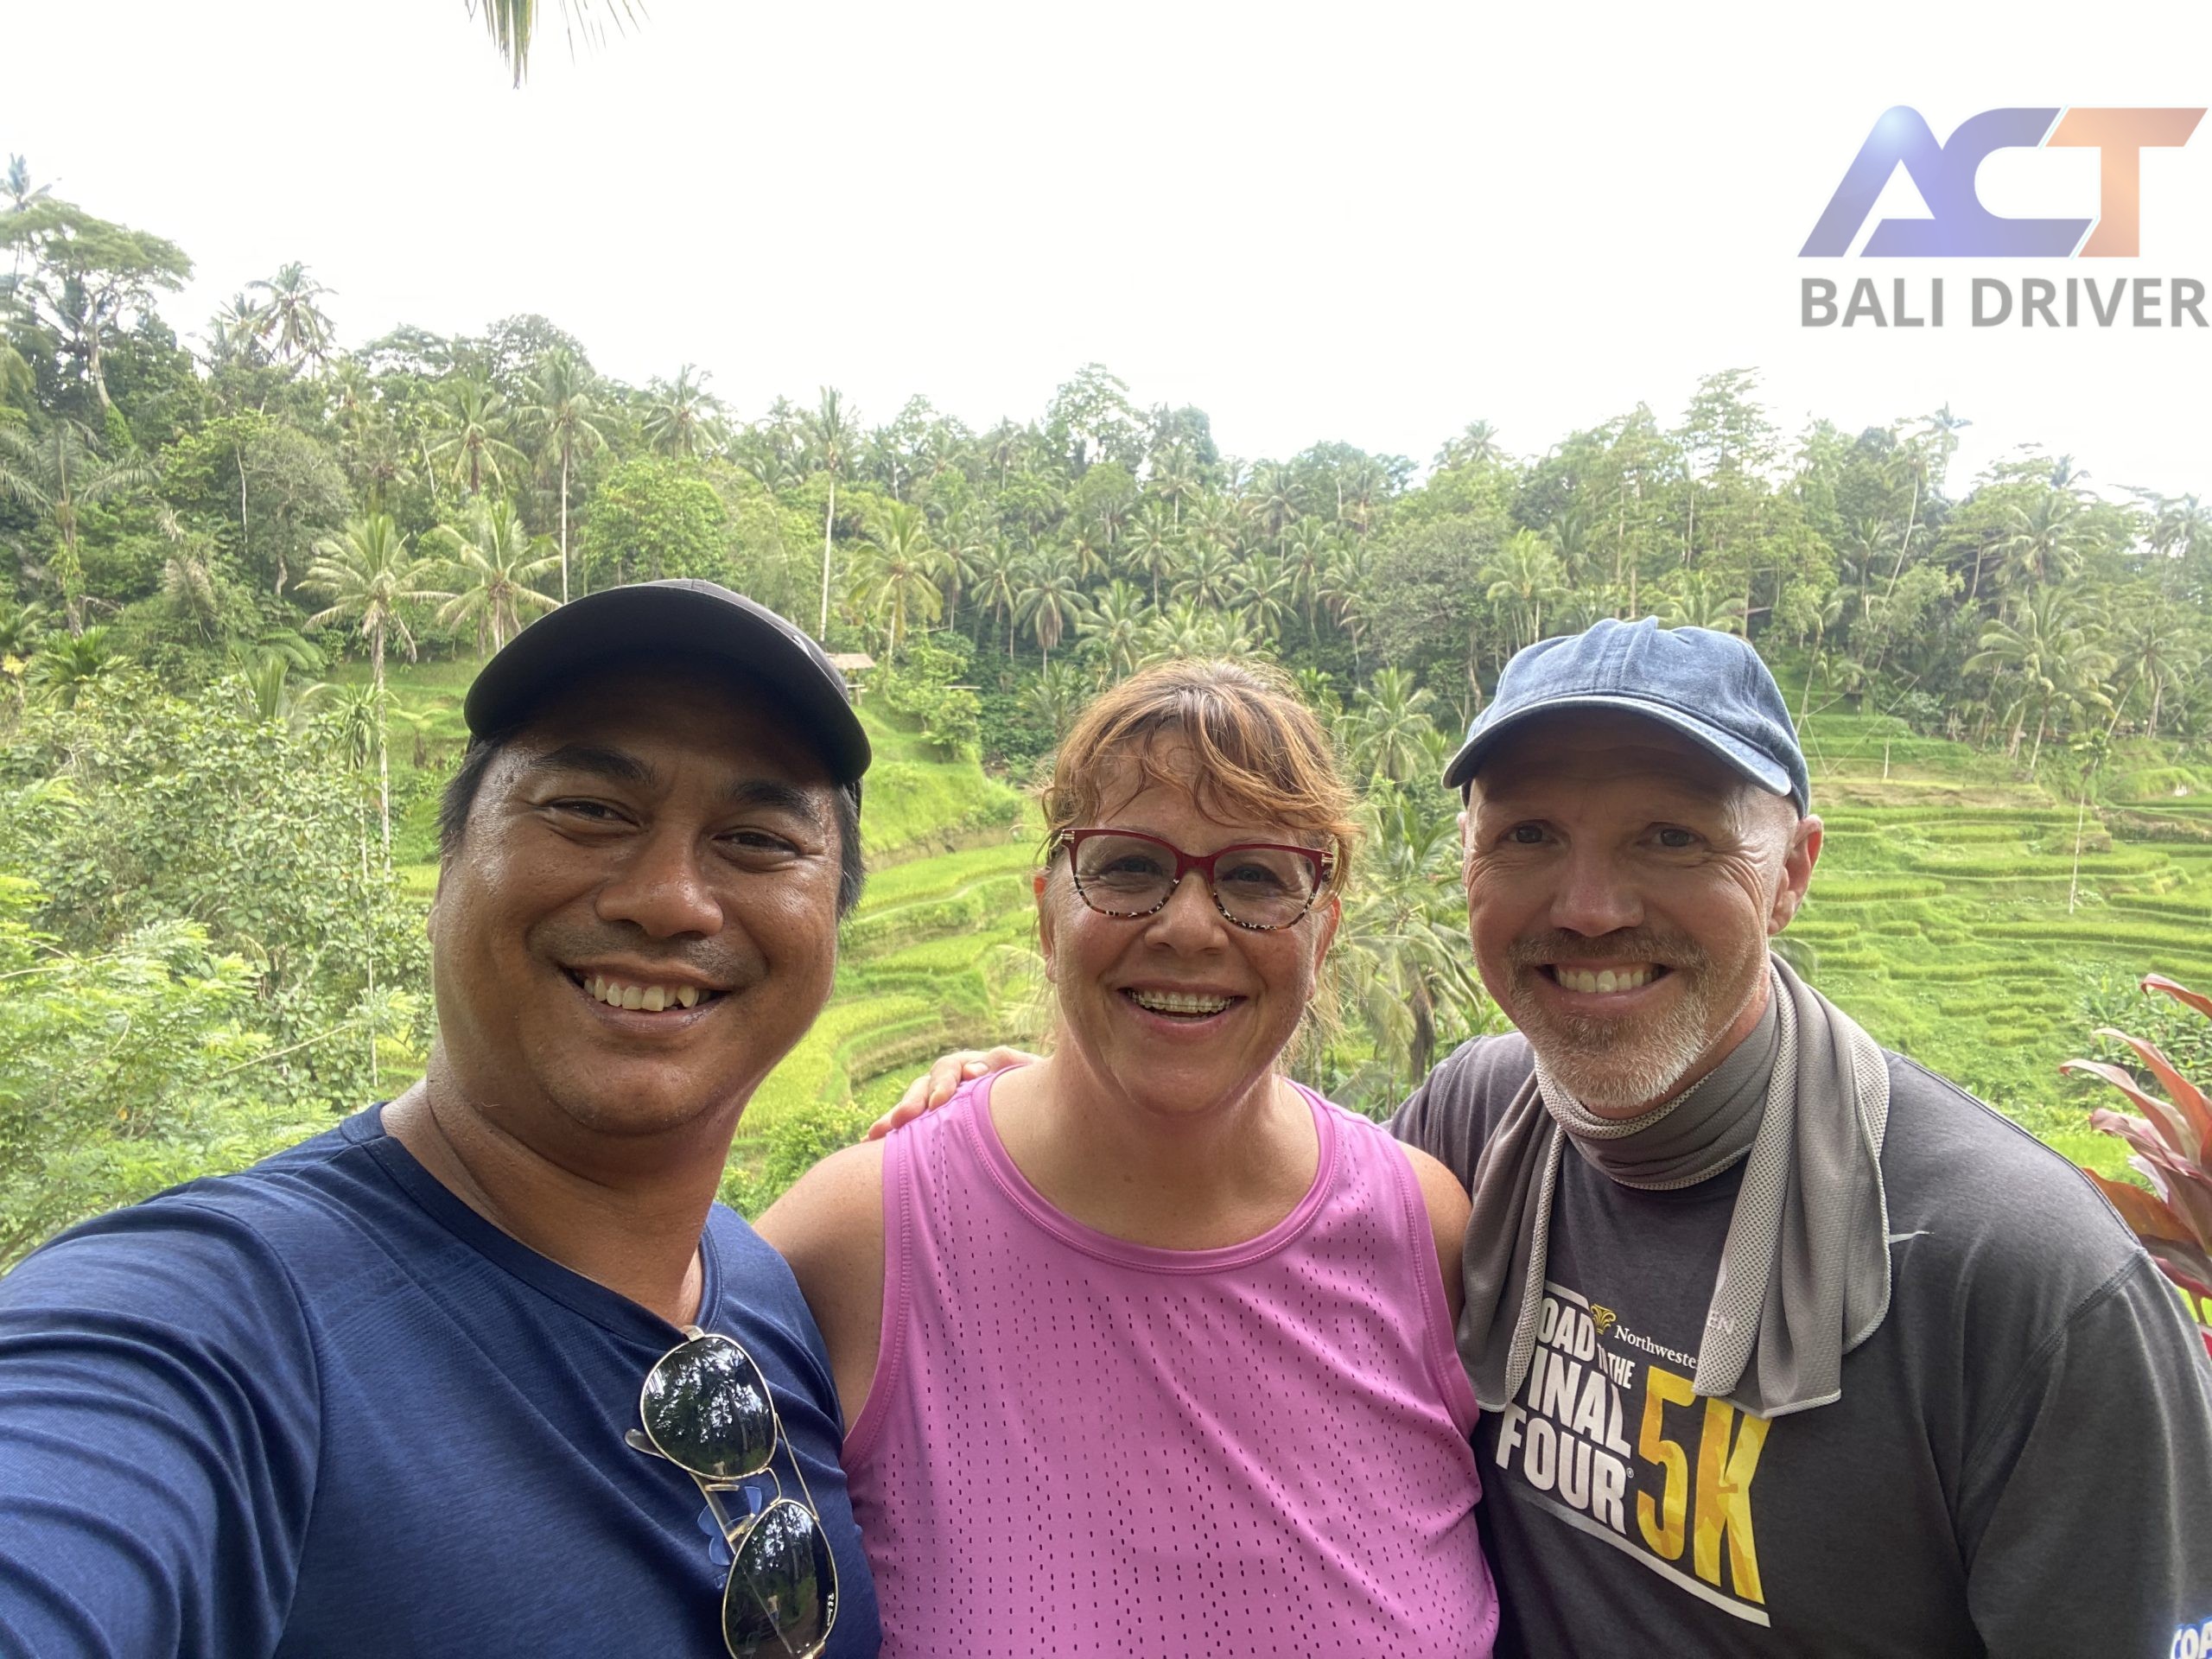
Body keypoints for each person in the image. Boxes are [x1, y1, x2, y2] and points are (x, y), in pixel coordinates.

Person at [886, 619, 2212, 1656]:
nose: (1588, 907)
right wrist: (1058, 1100)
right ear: (1468, 861)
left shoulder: (2020, 1280)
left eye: (1670, 838)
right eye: (1529, 835)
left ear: (1793, 872)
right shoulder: (1473, 1125)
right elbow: (1258, 1241)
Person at [0, 581, 882, 1659]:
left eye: (756, 839)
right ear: (447, 867)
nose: (667, 899)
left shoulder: (759, 1289)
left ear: (830, 925)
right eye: (589, 810)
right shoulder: (215, 1324)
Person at [759, 658, 1497, 1656]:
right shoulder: (858, 1242)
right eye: (1128, 867)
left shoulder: (1426, 1230)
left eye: (1255, 877)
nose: (1188, 925)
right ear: (1046, 912)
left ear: (1321, 931)